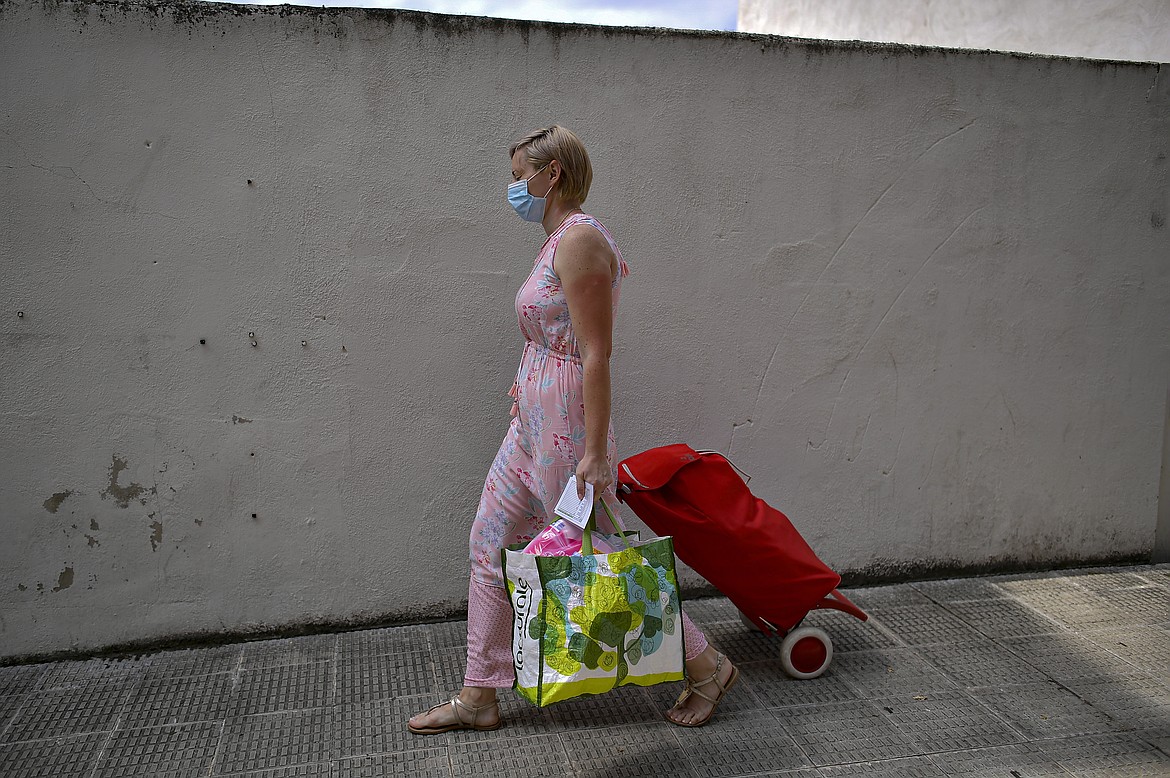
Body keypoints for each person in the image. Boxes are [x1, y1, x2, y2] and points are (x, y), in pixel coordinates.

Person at [407, 125, 738, 734]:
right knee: (488, 540)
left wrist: (592, 452)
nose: (513, 187)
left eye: (518, 175)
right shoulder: (554, 240)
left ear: (551, 173)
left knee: (596, 553)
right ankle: (480, 692)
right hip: (530, 419)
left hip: (564, 424)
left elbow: (595, 355)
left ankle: (707, 664)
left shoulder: (581, 240)